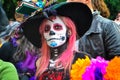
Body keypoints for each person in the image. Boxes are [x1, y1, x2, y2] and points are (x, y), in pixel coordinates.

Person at [21, 2, 92, 79]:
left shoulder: (81, 60)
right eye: (46, 29)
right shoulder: (39, 62)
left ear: (69, 31)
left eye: (57, 27)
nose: (51, 32)